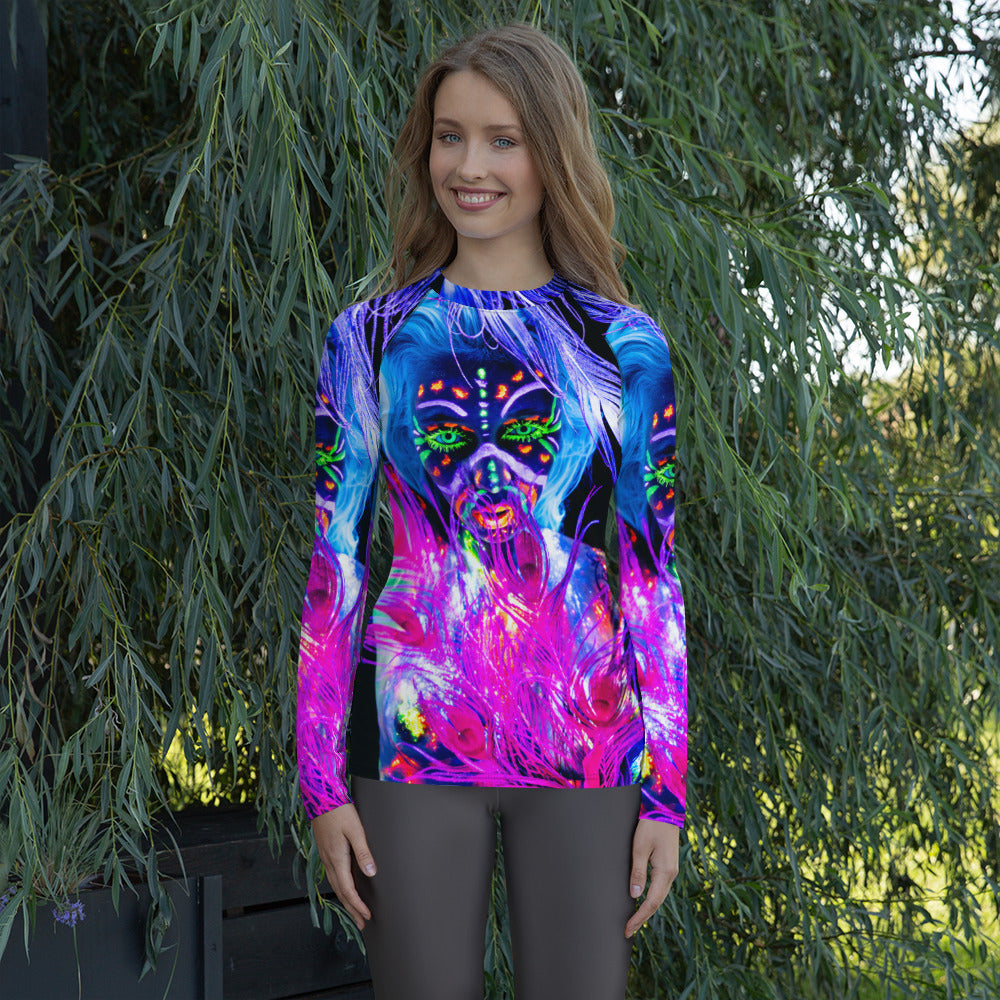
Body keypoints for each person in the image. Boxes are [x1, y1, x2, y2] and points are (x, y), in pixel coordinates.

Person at [296, 22, 687, 1000]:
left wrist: (668, 793)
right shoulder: (368, 338)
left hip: (587, 736)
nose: (469, 167)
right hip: (411, 734)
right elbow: (336, 562)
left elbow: (650, 574)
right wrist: (321, 781)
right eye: (449, 136)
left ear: (551, 152)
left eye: (502, 140)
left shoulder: (625, 349)